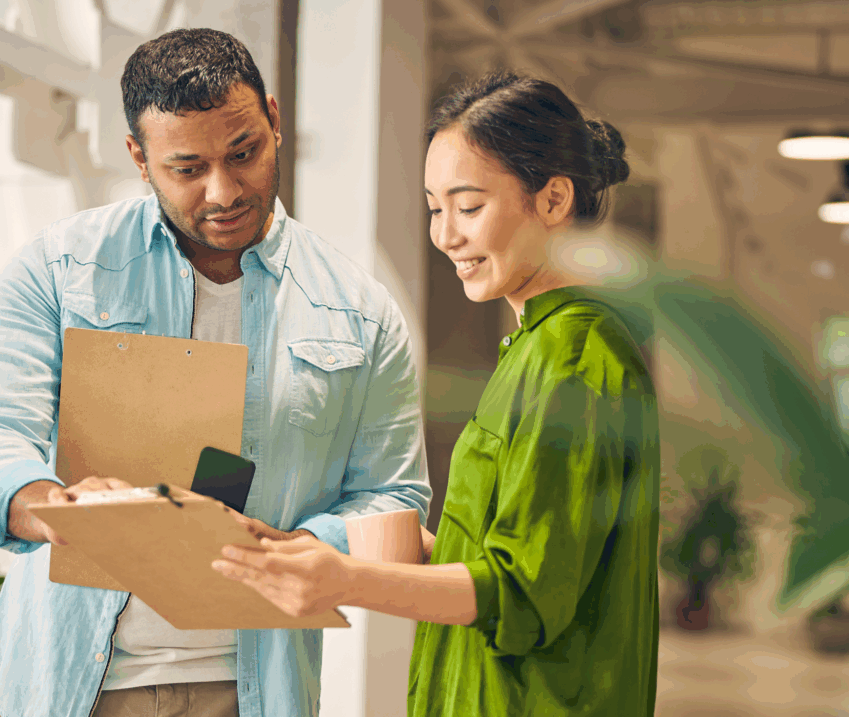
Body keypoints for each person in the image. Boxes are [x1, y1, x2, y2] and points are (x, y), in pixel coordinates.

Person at [0, 28, 430, 717]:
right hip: (73, 681)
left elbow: (395, 495)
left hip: (256, 687)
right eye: (187, 167)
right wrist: (58, 507)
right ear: (139, 159)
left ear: (273, 118)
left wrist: (297, 548)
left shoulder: (359, 310)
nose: (225, 190)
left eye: (245, 153)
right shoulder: (54, 273)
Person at [212, 70, 660, 717]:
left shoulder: (576, 357)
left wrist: (346, 582)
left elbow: (523, 593)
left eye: (469, 206)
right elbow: (512, 551)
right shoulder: (533, 346)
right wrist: (335, 545)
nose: (445, 234)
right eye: (434, 207)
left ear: (554, 199)